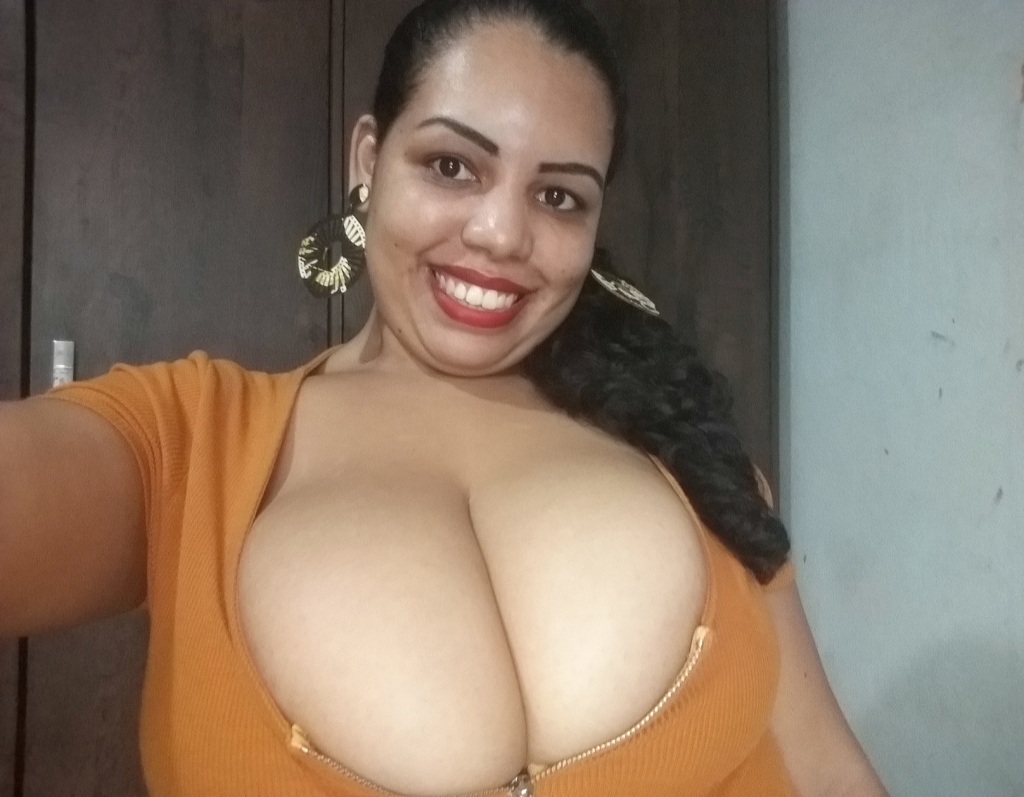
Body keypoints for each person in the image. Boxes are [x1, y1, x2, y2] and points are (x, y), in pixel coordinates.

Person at [0, 0, 888, 794]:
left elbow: (829, 774)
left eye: (558, 196)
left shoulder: (693, 454)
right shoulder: (187, 442)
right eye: (453, 166)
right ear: (369, 159)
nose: (501, 233)